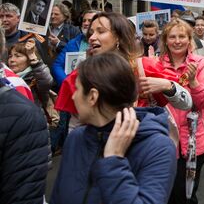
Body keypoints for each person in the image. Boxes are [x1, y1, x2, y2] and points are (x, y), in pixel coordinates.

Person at [50, 52, 178, 203]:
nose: (73, 96)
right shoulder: (76, 138)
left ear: (92, 96)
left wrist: (114, 160)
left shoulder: (157, 147)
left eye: (77, 89)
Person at [55, 12, 193, 128]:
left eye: (101, 31)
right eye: (91, 33)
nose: (92, 38)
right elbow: (75, 125)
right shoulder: (82, 74)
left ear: (118, 37)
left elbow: (186, 103)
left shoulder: (143, 67)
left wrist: (167, 86)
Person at [158, 18, 204, 204]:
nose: (177, 41)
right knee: (167, 193)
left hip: (194, 140)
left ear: (189, 40)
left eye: (182, 36)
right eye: (172, 37)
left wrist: (193, 82)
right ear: (165, 40)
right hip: (165, 139)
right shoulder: (156, 65)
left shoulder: (201, 63)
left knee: (184, 194)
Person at [0, 27, 50, 204]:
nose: (13, 60)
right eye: (11, 56)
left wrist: (35, 60)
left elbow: (46, 81)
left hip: (32, 132)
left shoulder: (30, 78)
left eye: (19, 56)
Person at [51, 10, 99, 87]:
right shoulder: (73, 42)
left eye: (90, 21)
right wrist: (67, 83)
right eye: (84, 21)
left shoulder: (103, 44)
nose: (86, 23)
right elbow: (57, 65)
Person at [8, 40, 54, 112]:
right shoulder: (5, 79)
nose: (11, 60)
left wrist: (33, 58)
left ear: (29, 59)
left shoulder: (35, 79)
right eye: (10, 56)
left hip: (34, 120)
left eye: (17, 56)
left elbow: (46, 81)